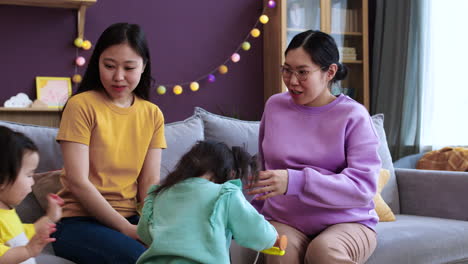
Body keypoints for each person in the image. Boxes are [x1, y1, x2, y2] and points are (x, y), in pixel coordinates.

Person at [247, 30, 381, 264]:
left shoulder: (353, 115)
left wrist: (295, 181)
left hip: (346, 222)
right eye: (287, 70)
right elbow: (263, 169)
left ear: (330, 72)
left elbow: (363, 186)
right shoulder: (275, 106)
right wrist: (251, 214)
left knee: (323, 251)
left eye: (302, 72)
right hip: (284, 220)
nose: (292, 80)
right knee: (280, 254)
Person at [52, 22, 167, 264]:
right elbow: (78, 181)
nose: (118, 77)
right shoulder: (81, 105)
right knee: (141, 259)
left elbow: (149, 183)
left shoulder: (152, 114)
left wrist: (152, 226)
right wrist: (125, 229)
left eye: (129, 67)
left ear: (144, 66)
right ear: (97, 63)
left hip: (131, 217)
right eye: (109, 66)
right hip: (78, 221)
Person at [136, 140, 282, 264]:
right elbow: (255, 230)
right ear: (231, 173)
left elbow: (144, 232)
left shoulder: (159, 193)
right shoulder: (225, 194)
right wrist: (274, 240)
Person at [0, 126, 63, 264]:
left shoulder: (7, 212)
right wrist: (28, 251)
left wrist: (50, 218)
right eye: (29, 174)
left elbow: (22, 233)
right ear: (2, 179)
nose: (33, 181)